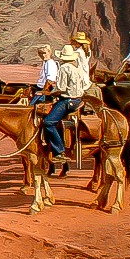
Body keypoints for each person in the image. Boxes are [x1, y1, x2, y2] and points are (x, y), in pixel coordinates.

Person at [42, 44, 90, 174]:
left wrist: (50, 93)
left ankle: (59, 150)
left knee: (48, 122)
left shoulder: (63, 68)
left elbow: (62, 88)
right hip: (78, 99)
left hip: (67, 101)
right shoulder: (77, 67)